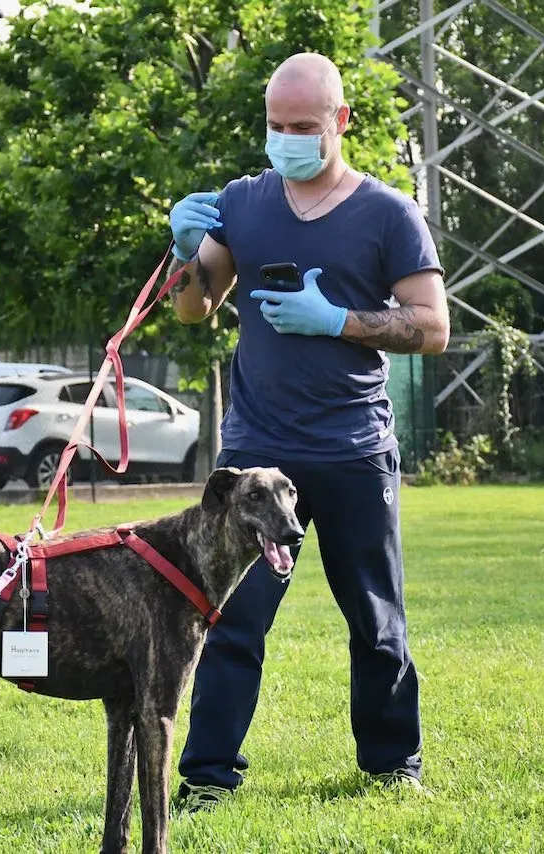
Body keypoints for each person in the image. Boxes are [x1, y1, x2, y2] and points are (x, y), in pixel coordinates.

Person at [165, 51, 450, 811]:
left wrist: (340, 323)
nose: (287, 138)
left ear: (340, 122)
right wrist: (181, 253)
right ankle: (207, 778)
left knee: (375, 617)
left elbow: (432, 328)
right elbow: (194, 308)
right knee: (230, 617)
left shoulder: (388, 214)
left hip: (353, 447)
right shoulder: (244, 203)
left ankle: (394, 765)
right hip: (257, 450)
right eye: (276, 125)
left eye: (304, 126)